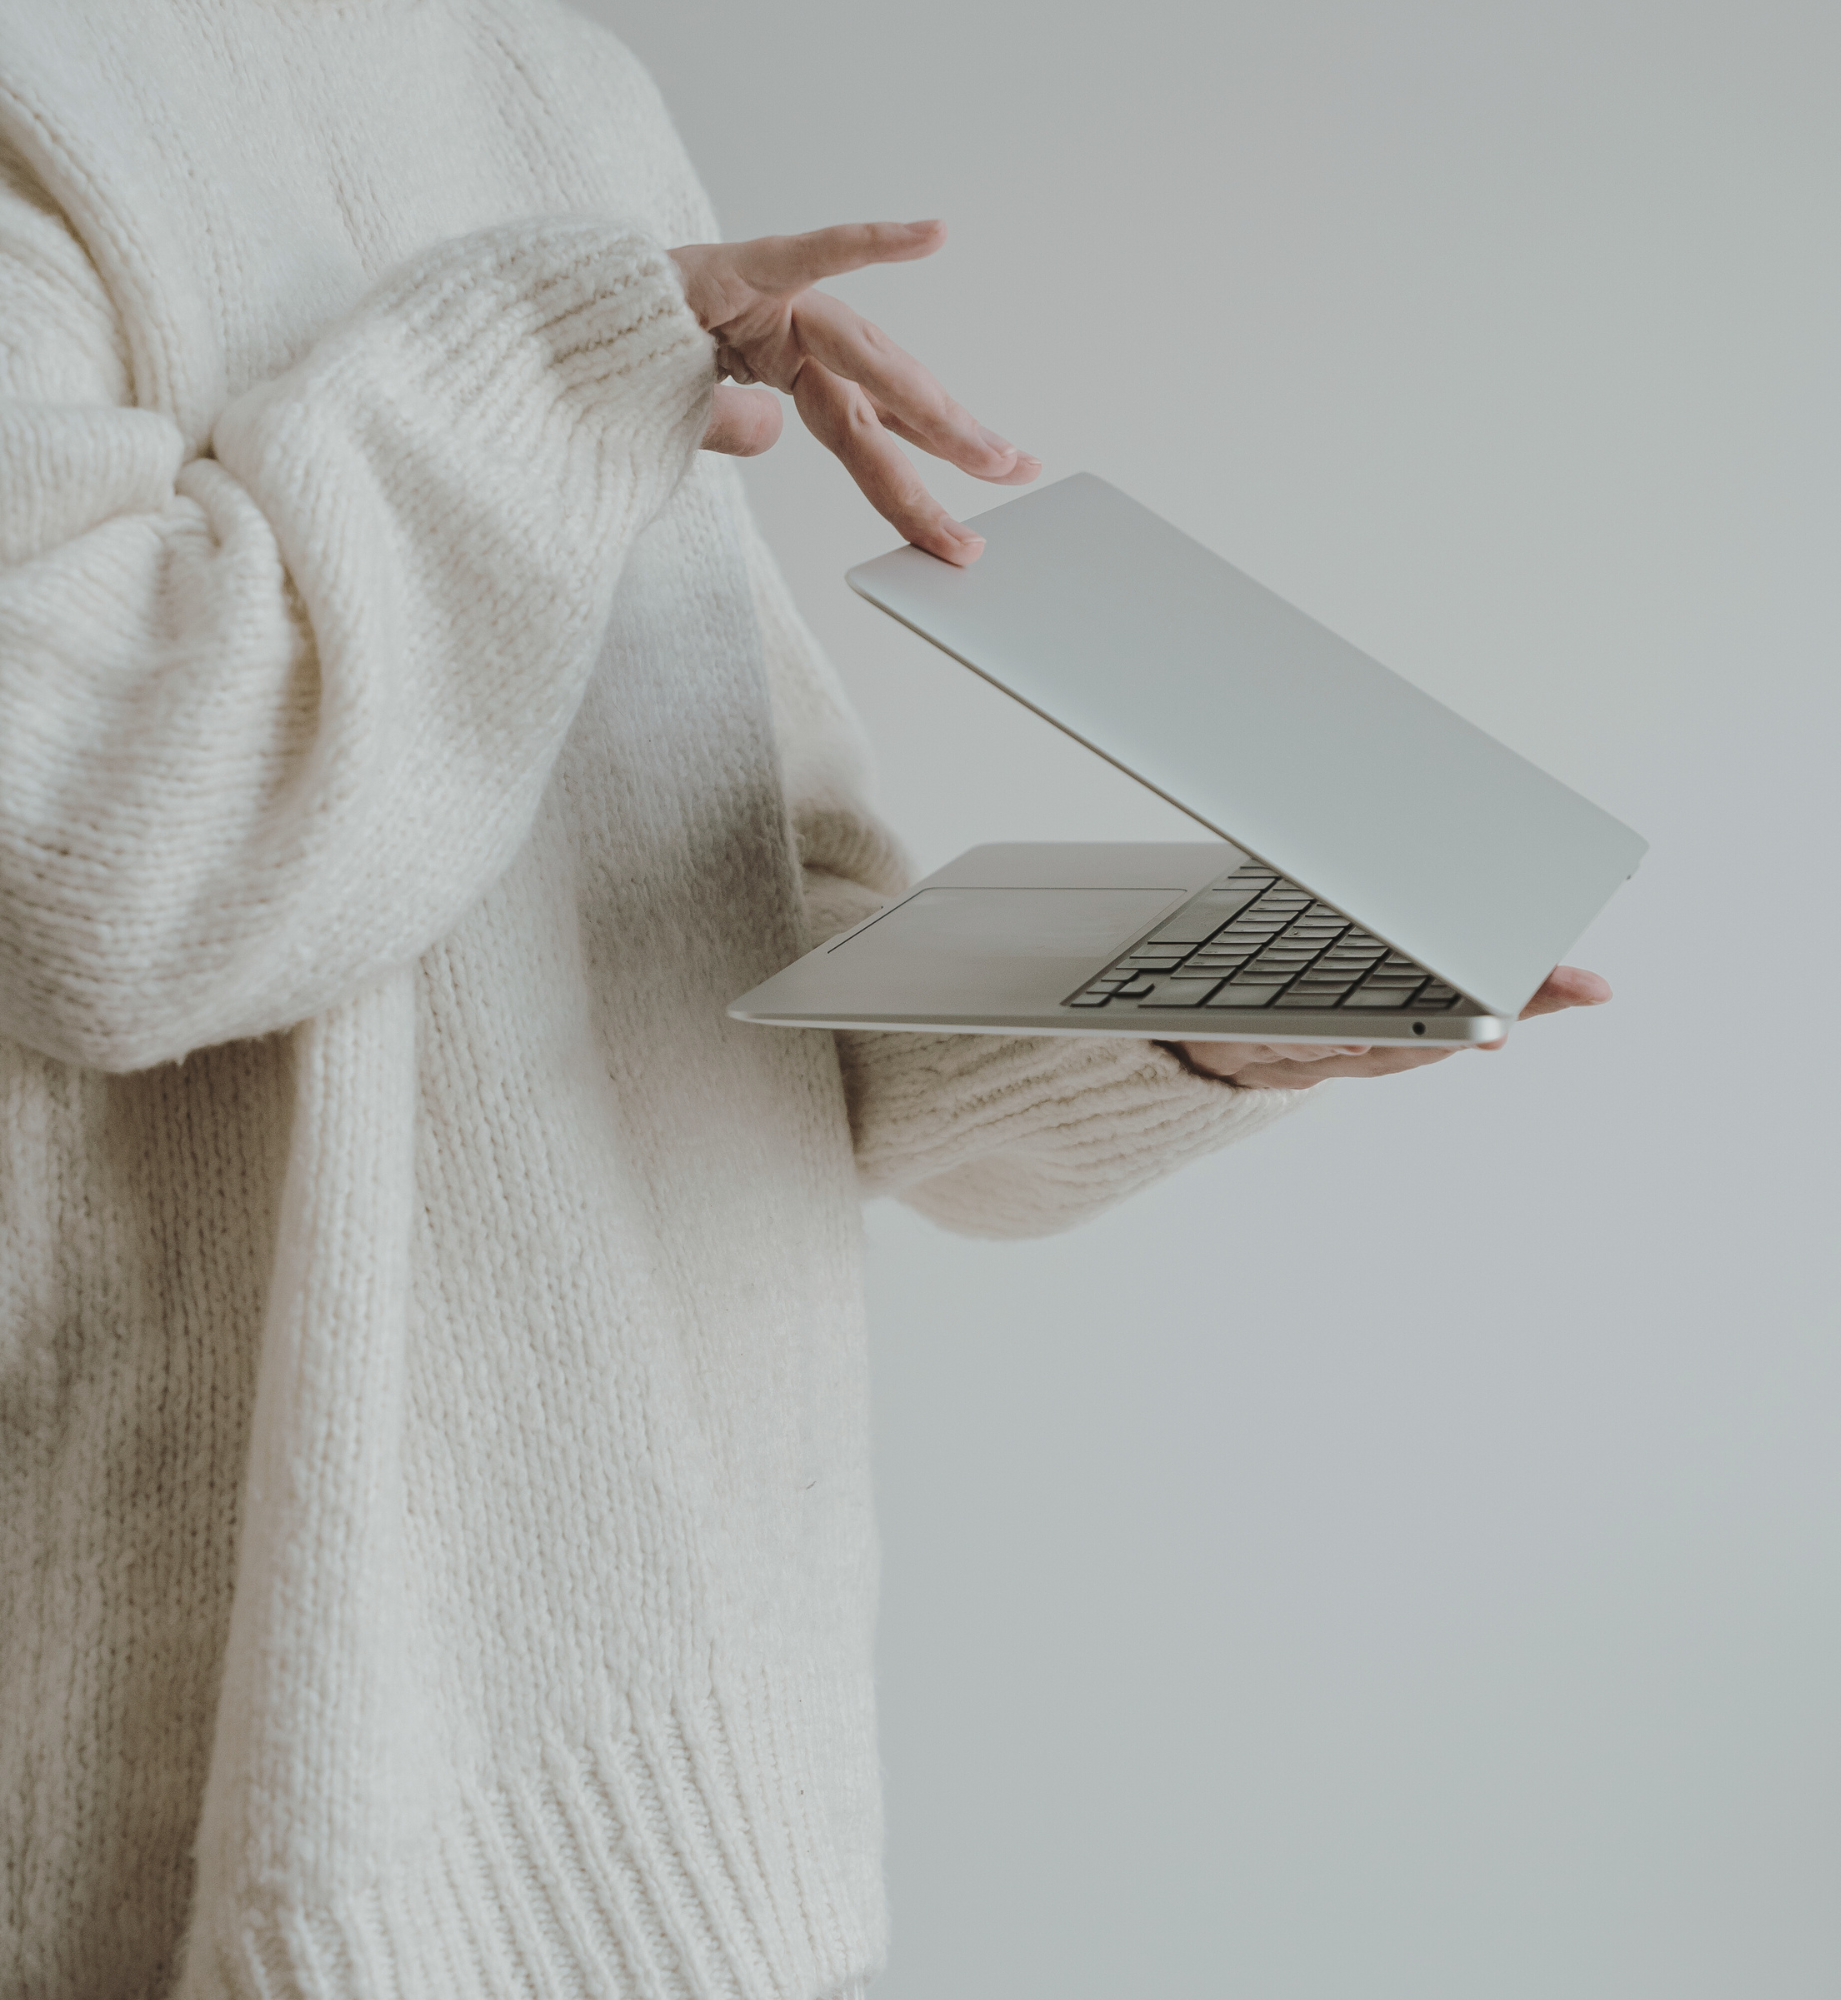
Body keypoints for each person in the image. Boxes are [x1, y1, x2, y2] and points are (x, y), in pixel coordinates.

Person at [0, 3, 1608, 1995]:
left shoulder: (563, 90)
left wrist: (1187, 1021)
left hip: (686, 1784)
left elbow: (720, 956)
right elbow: (112, 874)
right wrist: (554, 357)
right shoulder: (46, 91)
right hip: (234, 1802)